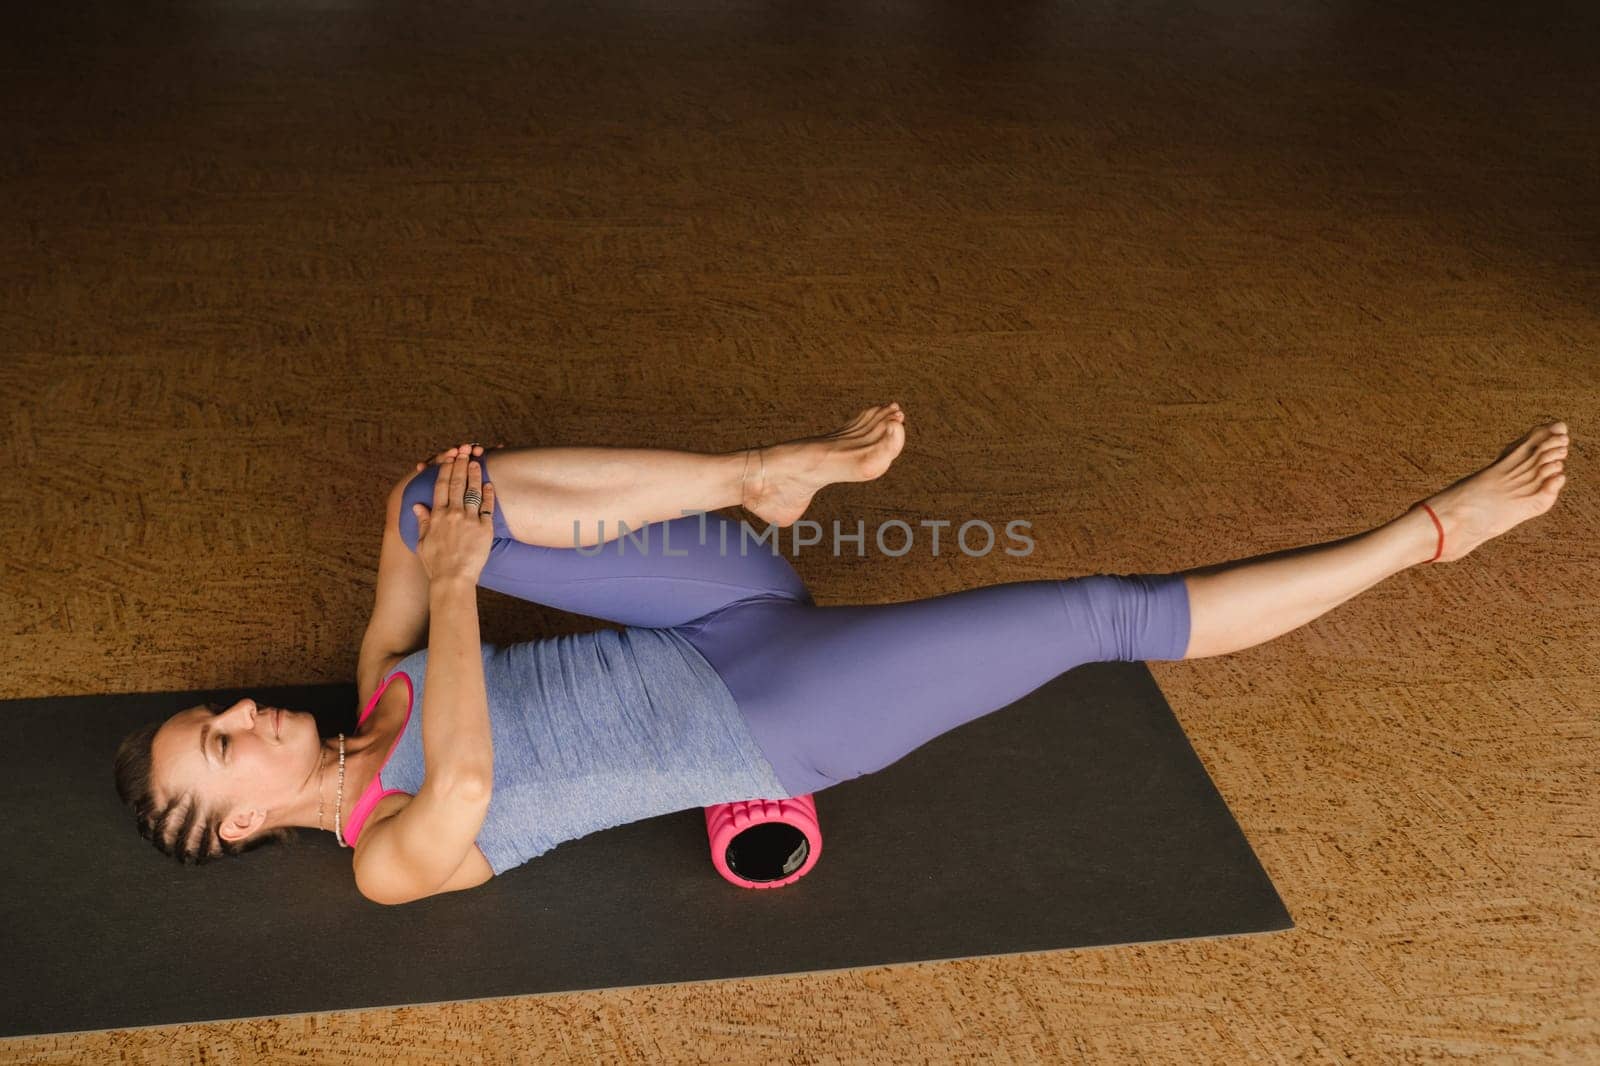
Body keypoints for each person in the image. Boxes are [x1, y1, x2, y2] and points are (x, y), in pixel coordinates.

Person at [115, 405, 1569, 900]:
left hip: (714, 605)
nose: (247, 707)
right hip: (768, 717)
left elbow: (422, 522)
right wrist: (456, 596)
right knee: (1099, 615)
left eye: (216, 708)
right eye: (225, 739)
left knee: (433, 497)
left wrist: (441, 558)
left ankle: (759, 475)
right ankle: (1429, 534)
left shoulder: (372, 687)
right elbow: (476, 778)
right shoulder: (381, 854)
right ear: (244, 818)